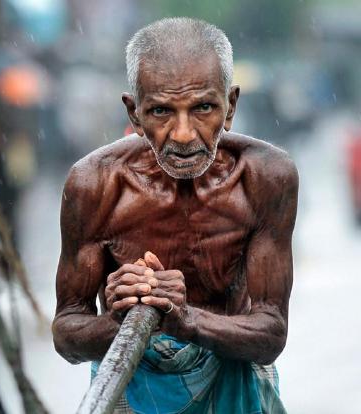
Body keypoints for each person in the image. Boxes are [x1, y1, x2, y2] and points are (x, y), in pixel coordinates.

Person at [52, 18, 298, 414]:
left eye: (203, 108)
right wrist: (119, 318)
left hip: (232, 384)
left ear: (230, 105)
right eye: (162, 111)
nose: (183, 135)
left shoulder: (265, 177)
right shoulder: (94, 184)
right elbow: (66, 333)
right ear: (134, 114)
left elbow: (271, 334)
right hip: (130, 389)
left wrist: (184, 320)